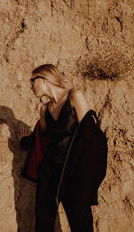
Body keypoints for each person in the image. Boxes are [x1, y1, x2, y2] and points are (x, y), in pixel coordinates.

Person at [18, 64, 107, 232]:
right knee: (43, 224)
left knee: (81, 224)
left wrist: (89, 189)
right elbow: (42, 140)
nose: (31, 86)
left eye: (32, 81)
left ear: (44, 79)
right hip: (49, 173)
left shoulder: (74, 96)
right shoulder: (44, 109)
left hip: (73, 173)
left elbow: (93, 141)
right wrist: (25, 141)